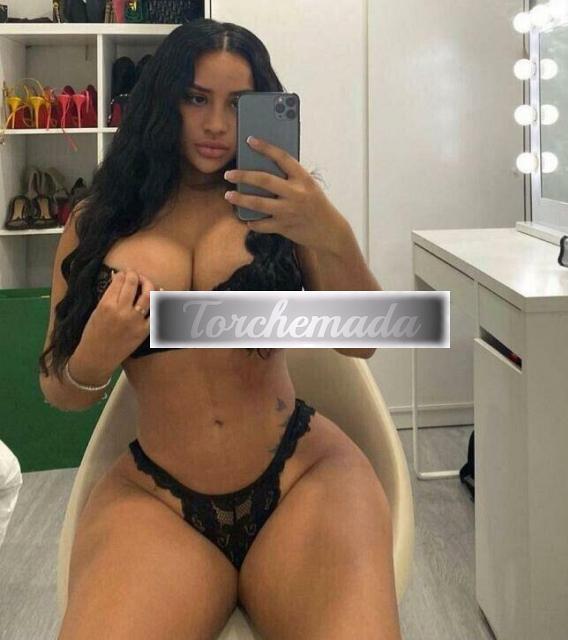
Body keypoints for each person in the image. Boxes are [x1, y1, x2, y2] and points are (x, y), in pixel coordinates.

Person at [38, 18, 402, 640]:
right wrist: (93, 359)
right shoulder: (97, 223)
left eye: (238, 105)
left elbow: (363, 339)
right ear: (163, 100)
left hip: (302, 476)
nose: (215, 125)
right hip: (158, 501)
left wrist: (333, 233)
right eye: (196, 98)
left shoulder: (284, 207)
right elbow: (59, 391)